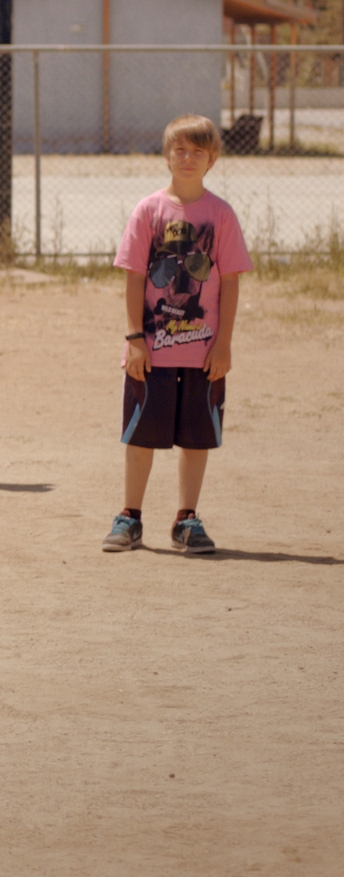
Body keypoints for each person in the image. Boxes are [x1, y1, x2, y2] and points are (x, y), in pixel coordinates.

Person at [102, 114, 250, 555]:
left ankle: (187, 519)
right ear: (167, 156)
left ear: (212, 159)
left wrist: (223, 343)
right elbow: (132, 277)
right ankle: (130, 516)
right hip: (151, 349)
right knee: (141, 433)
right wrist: (134, 338)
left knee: (195, 435)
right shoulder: (149, 210)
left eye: (197, 151)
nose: (188, 158)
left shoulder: (220, 214)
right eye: (180, 150)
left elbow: (231, 281)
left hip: (203, 350)